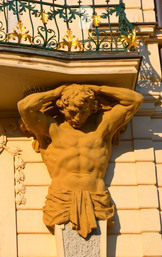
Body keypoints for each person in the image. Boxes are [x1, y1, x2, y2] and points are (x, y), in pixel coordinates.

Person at [18, 84, 143, 238]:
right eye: (72, 112)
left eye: (83, 112)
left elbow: (136, 100)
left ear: (91, 108)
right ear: (62, 108)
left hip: (98, 197)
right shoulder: (52, 129)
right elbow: (24, 107)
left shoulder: (102, 128)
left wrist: (98, 89)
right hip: (60, 198)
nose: (77, 117)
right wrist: (56, 92)